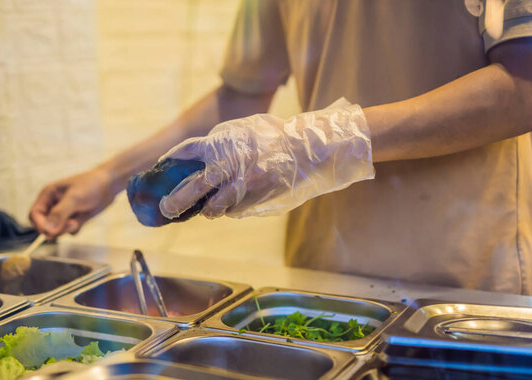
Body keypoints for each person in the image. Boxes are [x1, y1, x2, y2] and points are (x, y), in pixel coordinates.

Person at [30, 0, 532, 294]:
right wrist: (111, 177)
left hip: (460, 275)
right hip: (322, 270)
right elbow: (243, 92)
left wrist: (318, 142)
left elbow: (522, 83)